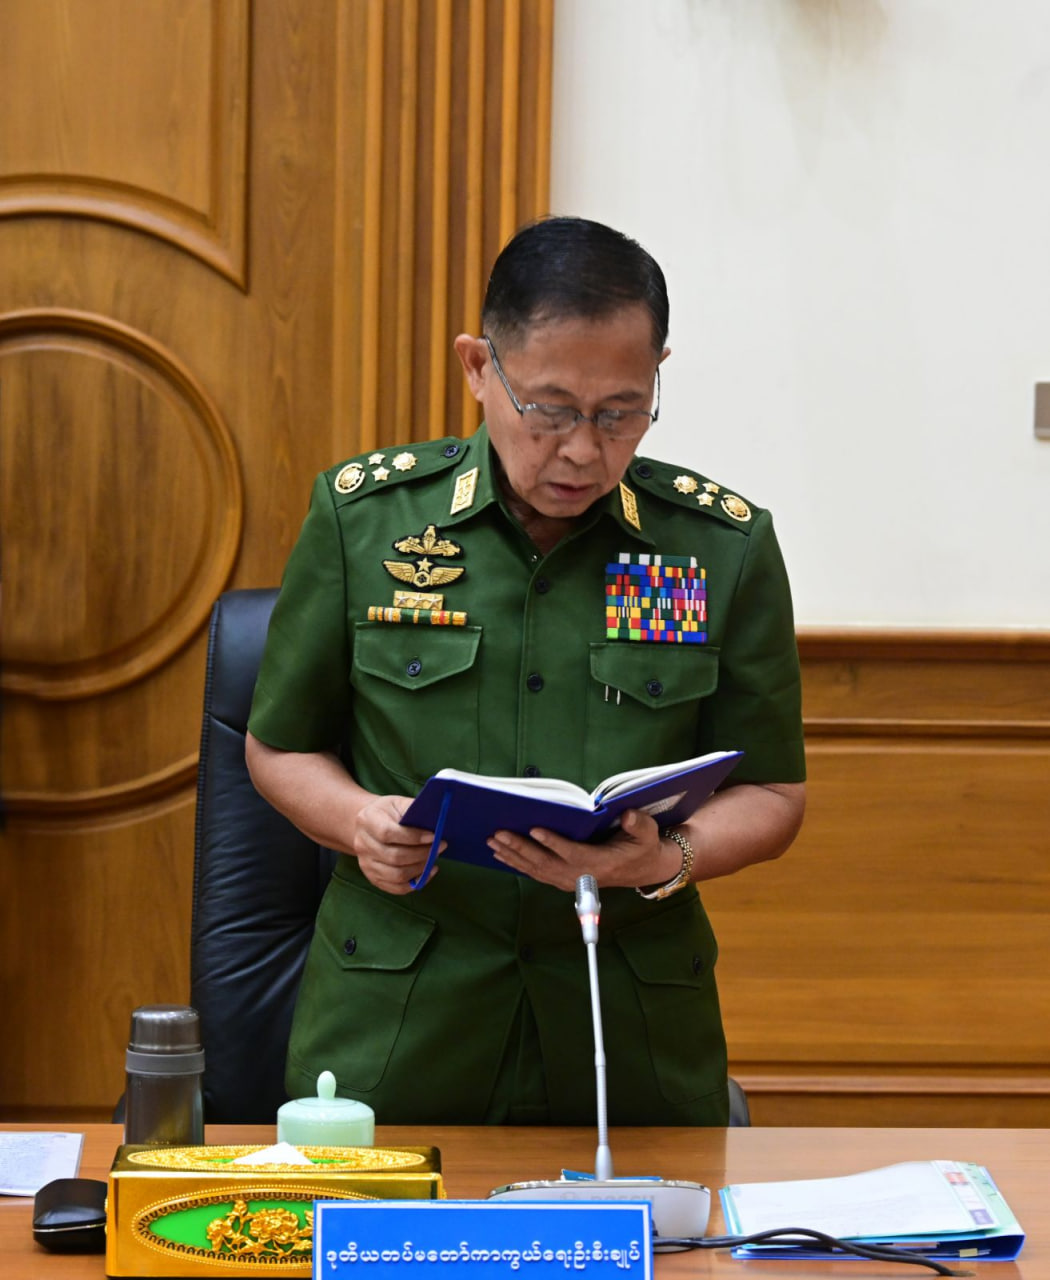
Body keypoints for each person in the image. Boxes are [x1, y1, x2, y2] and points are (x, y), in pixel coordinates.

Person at [245, 216, 806, 1126]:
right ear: (479, 368)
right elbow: (279, 747)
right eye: (549, 409)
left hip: (628, 1020)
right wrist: (360, 822)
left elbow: (774, 793)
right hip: (401, 1018)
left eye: (620, 412)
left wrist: (666, 859)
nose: (583, 449)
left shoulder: (718, 547)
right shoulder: (366, 522)